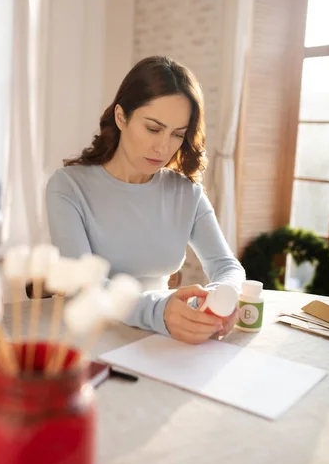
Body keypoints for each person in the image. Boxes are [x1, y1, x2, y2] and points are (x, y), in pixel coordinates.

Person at [46, 56, 245, 344]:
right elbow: (82, 284)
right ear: (121, 117)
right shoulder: (68, 186)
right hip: (93, 335)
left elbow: (227, 267)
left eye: (177, 134)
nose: (163, 147)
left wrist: (222, 297)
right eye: (153, 128)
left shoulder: (185, 192)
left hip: (163, 339)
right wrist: (158, 311)